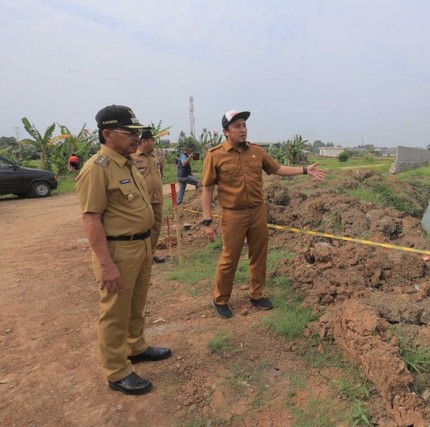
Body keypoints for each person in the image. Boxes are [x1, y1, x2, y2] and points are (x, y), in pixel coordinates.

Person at [76, 105, 171, 396]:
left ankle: (136, 346)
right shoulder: (97, 169)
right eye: (128, 132)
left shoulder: (128, 163)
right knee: (115, 312)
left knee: (136, 303)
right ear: (107, 134)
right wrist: (106, 264)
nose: (136, 136)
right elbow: (91, 219)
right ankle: (117, 371)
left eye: (135, 131)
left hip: (140, 246)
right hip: (118, 250)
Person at [201, 110, 326, 318]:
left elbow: (277, 169)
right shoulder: (215, 155)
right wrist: (207, 220)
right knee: (229, 258)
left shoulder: (257, 152)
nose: (242, 130)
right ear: (226, 131)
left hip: (258, 212)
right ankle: (220, 299)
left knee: (259, 255)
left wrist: (305, 170)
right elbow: (207, 188)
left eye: (244, 125)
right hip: (234, 215)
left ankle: (256, 294)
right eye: (237, 126)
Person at [132, 129, 165, 263]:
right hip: (141, 200)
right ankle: (141, 256)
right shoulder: (132, 158)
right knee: (142, 227)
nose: (154, 142)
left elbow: (160, 174)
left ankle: (150, 254)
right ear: (144, 141)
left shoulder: (155, 158)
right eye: (152, 140)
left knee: (156, 227)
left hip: (157, 198)